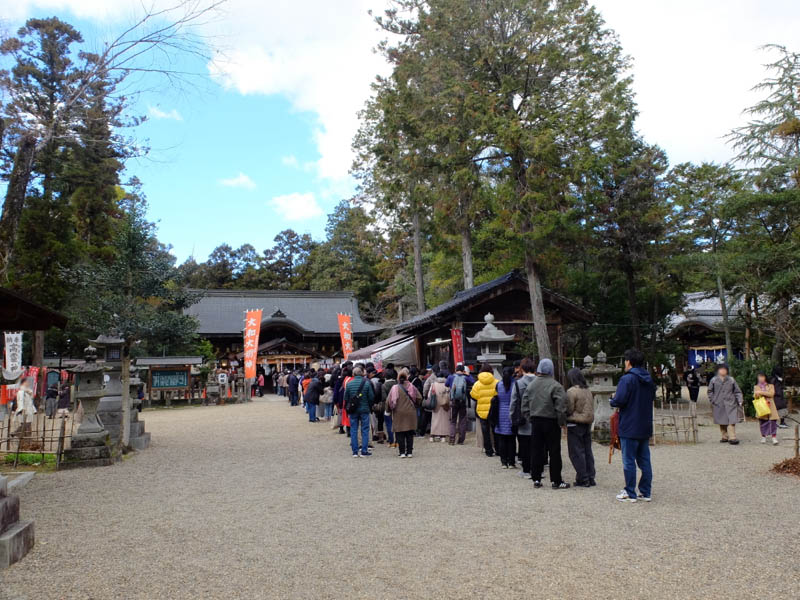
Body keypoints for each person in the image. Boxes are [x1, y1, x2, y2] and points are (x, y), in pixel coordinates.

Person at [610, 349, 655, 503]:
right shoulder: (648, 379)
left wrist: (612, 400)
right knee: (644, 460)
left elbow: (619, 400)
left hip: (629, 424)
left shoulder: (627, 379)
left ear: (629, 362)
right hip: (644, 424)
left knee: (629, 460)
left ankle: (630, 492)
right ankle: (645, 491)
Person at [522, 359, 569, 489]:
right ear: (551, 370)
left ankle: (536, 478)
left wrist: (530, 418)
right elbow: (561, 406)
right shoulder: (556, 386)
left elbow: (524, 404)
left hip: (536, 421)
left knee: (536, 450)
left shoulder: (531, 385)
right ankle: (556, 480)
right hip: (551, 421)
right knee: (554, 451)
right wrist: (561, 422)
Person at [565, 368, 595, 487]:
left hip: (575, 423)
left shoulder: (571, 391)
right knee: (587, 451)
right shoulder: (588, 390)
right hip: (587, 423)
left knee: (576, 452)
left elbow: (569, 409)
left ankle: (583, 478)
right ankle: (590, 476)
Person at [509, 357, 536, 479]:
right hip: (538, 416)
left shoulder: (519, 383)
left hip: (523, 417)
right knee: (537, 446)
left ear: (522, 368)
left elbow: (513, 401)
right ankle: (538, 470)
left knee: (524, 445)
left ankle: (526, 470)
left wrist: (511, 417)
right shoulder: (539, 382)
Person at [386, 368, 421, 457]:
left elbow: (389, 401)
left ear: (398, 378)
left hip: (398, 413)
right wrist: (416, 405)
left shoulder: (394, 388)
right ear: (407, 377)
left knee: (399, 433)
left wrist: (388, 410)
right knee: (409, 433)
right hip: (410, 412)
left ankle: (402, 452)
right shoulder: (412, 386)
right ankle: (409, 452)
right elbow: (419, 398)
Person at [707, 364, 743, 445]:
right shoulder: (713, 380)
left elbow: (737, 391)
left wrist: (740, 400)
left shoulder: (731, 380)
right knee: (722, 421)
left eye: (724, 369)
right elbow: (710, 391)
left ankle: (732, 437)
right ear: (718, 371)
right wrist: (713, 400)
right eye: (721, 369)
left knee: (731, 420)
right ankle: (724, 436)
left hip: (731, 403)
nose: (723, 371)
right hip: (718, 403)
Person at [344, 366, 375, 457]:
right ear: (362, 373)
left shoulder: (349, 384)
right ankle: (364, 450)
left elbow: (346, 398)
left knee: (354, 429)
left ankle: (355, 451)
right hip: (364, 409)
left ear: (353, 374)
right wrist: (369, 405)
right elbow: (371, 397)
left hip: (353, 410)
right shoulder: (367, 383)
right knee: (365, 429)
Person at [470, 363, 499, 457]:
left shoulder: (477, 384)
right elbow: (499, 395)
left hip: (481, 410)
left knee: (485, 431)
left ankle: (488, 450)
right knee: (496, 430)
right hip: (494, 410)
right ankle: (498, 449)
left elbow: (473, 396)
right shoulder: (497, 382)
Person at [493, 366, 516, 468]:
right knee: (511, 439)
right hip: (511, 412)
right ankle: (511, 462)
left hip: (500, 413)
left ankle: (503, 461)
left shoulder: (498, 385)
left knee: (502, 439)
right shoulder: (514, 385)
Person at [446, 364, 473, 445]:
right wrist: (468, 374)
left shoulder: (451, 377)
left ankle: (452, 439)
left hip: (454, 401)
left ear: (455, 370)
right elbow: (473, 382)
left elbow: (446, 384)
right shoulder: (466, 377)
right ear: (463, 371)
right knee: (462, 420)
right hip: (462, 401)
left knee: (453, 421)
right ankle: (461, 440)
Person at [754, 372, 779, 445]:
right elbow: (755, 396)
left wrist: (761, 392)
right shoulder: (756, 386)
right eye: (759, 377)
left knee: (773, 422)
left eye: (762, 377)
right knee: (762, 422)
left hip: (771, 406)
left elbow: (771, 394)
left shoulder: (771, 385)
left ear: (765, 377)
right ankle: (763, 436)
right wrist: (758, 393)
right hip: (761, 406)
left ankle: (774, 437)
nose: (761, 378)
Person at [428, 367, 451, 442]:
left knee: (435, 420)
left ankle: (432, 436)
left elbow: (429, 395)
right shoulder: (447, 384)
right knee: (444, 420)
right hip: (445, 404)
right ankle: (443, 437)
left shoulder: (433, 384)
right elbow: (449, 395)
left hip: (435, 404)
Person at [381, 367, 398, 448]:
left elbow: (384, 398)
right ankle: (398, 441)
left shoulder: (384, 385)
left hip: (388, 407)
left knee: (389, 424)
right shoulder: (397, 383)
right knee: (398, 424)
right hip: (398, 406)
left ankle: (391, 442)